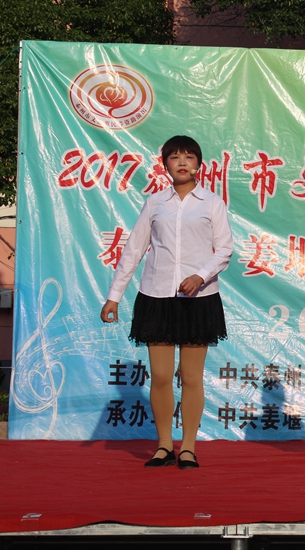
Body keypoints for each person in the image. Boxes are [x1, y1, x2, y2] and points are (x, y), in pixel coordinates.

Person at [101, 135, 233, 470]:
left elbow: (224, 250)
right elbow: (134, 249)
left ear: (199, 164)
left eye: (189, 157)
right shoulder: (155, 203)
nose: (182, 162)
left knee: (191, 376)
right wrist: (114, 296)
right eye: (175, 157)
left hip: (197, 299)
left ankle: (188, 447)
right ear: (165, 165)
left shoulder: (212, 203)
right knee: (160, 376)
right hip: (156, 296)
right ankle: (163, 445)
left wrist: (200, 276)